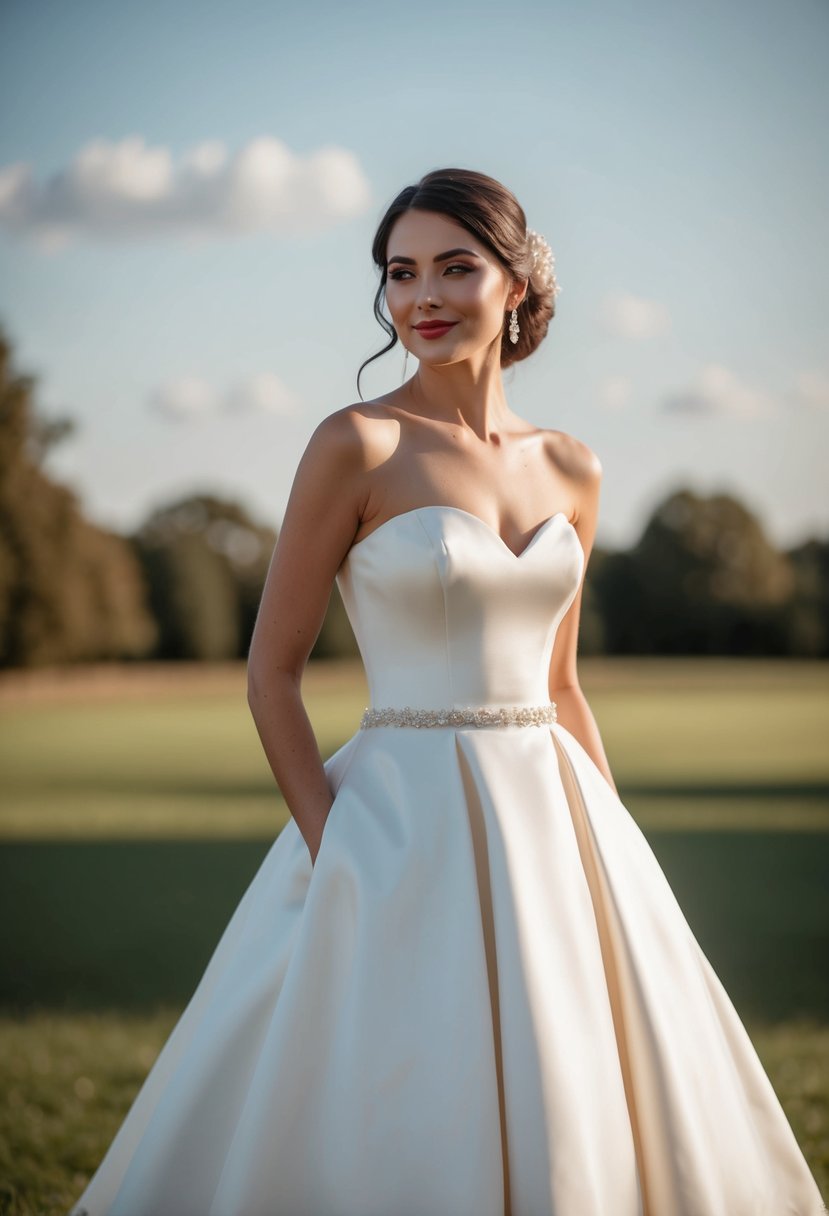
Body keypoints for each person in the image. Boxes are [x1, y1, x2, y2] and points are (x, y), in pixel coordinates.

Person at [69, 167, 826, 1216]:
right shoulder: (356, 445)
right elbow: (270, 673)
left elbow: (560, 683)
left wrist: (616, 847)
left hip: (558, 825)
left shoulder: (573, 468)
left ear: (515, 283)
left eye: (454, 267)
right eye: (399, 271)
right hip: (392, 828)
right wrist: (334, 843)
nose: (422, 296)